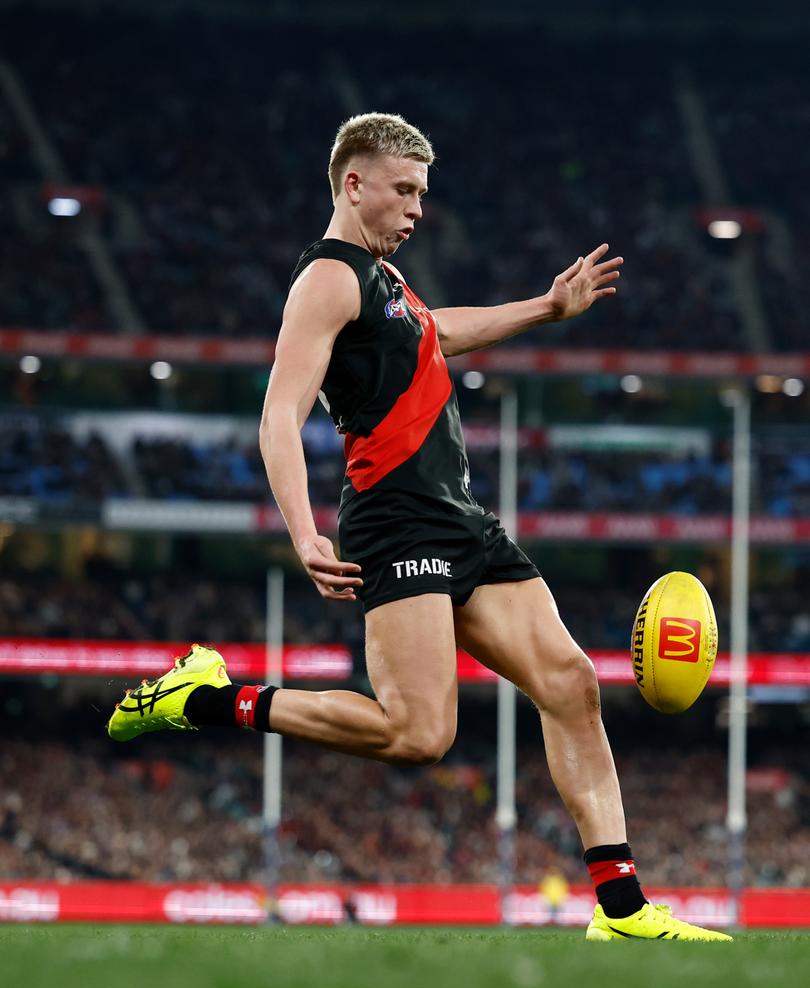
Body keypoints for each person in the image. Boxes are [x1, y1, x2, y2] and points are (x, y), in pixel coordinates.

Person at [108, 113, 730, 941]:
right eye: (403, 191)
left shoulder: (386, 283)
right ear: (352, 184)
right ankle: (212, 699)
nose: (417, 209)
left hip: (460, 518)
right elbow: (277, 417)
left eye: (423, 194)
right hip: (397, 521)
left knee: (571, 683)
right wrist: (303, 534)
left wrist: (545, 308)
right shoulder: (329, 280)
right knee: (417, 734)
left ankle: (622, 909)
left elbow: (443, 334)